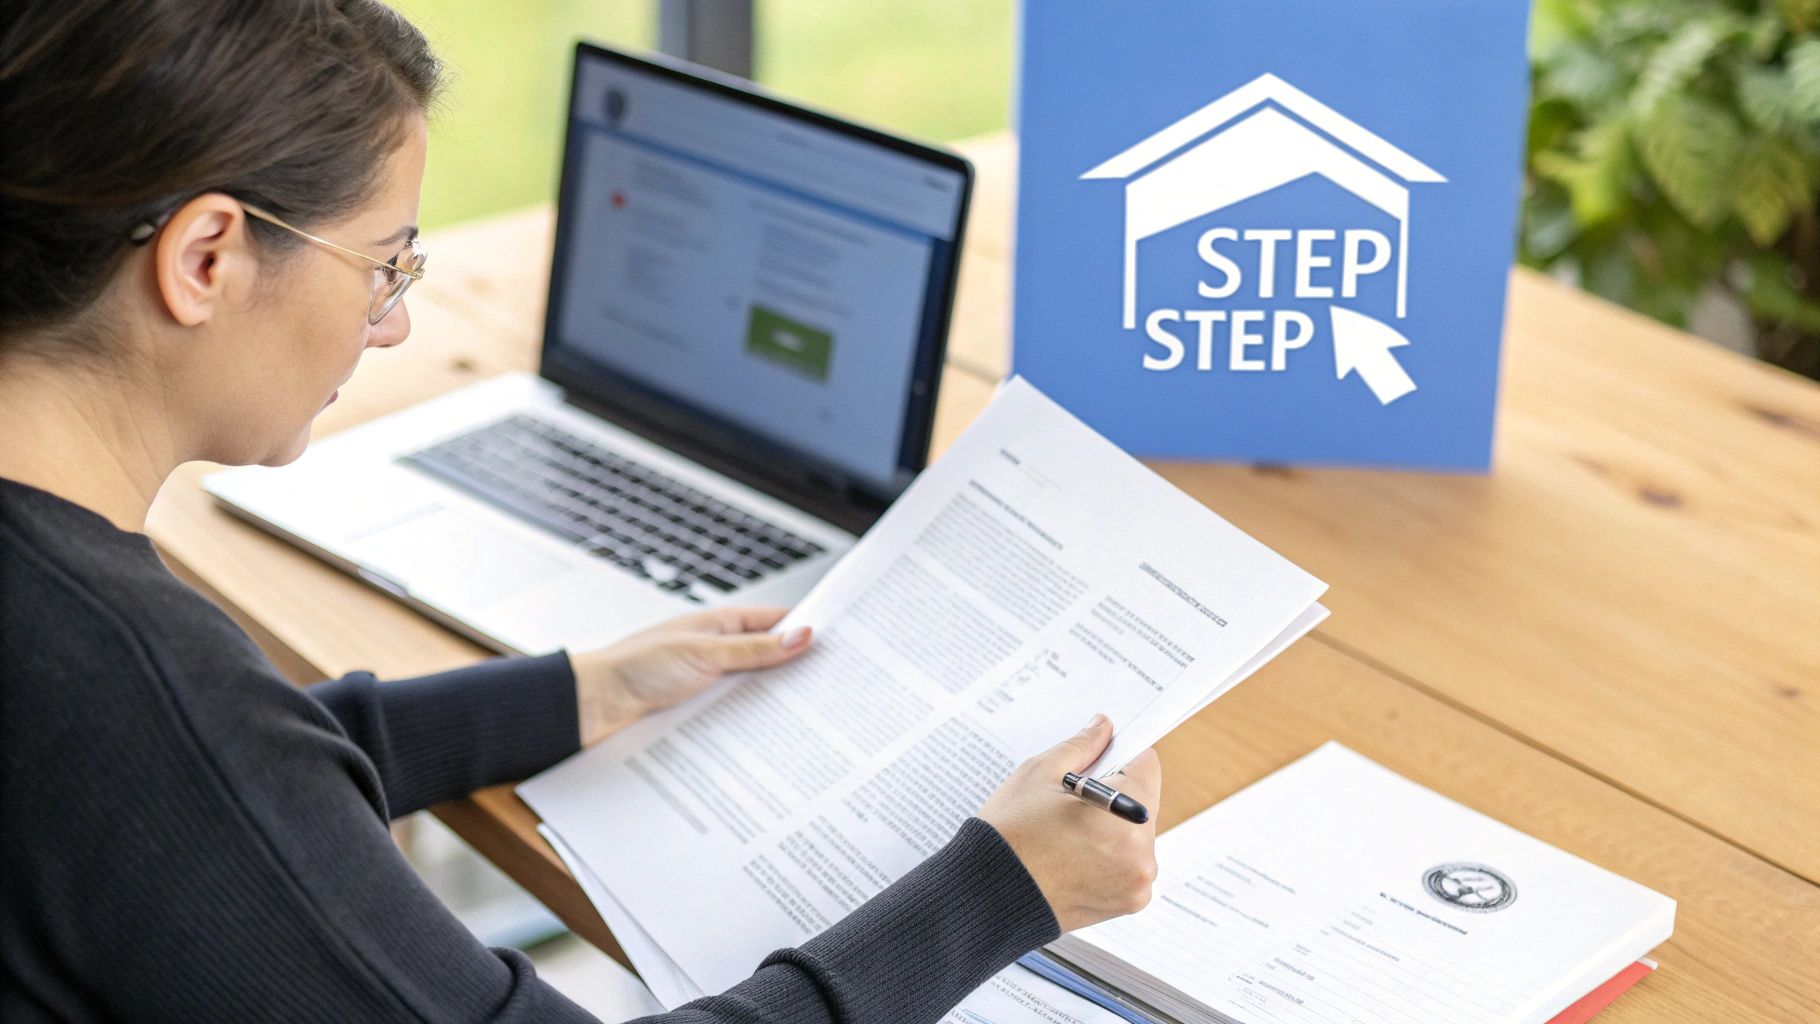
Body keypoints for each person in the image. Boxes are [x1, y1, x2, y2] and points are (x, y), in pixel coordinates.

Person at [0, 2, 1164, 1021]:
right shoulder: (125, 680)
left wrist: (575, 692)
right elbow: (187, 768)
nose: (391, 322)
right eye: (385, 266)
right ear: (205, 257)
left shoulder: (100, 675)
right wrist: (1001, 889)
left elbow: (210, 792)